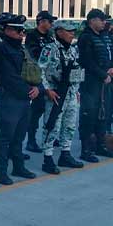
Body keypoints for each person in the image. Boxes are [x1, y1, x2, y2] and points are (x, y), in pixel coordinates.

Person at [0, 14, 39, 184]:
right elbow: (9, 77)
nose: (22, 33)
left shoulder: (20, 48)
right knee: (4, 137)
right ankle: (0, 171)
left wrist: (36, 87)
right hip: (8, 100)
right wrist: (29, 90)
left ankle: (18, 167)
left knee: (19, 135)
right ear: (7, 30)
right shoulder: (1, 49)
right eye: (18, 30)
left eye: (22, 30)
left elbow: (33, 71)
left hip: (24, 99)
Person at [37, 20, 85, 173]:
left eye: (73, 31)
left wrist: (77, 90)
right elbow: (40, 71)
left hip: (71, 93)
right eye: (69, 31)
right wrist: (47, 90)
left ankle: (65, 153)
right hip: (56, 93)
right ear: (59, 32)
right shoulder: (49, 49)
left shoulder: (73, 50)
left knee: (70, 124)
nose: (72, 34)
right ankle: (48, 157)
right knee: (52, 125)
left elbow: (78, 71)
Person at [78, 9, 113, 162]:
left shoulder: (105, 37)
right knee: (89, 115)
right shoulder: (86, 38)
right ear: (92, 21)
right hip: (91, 83)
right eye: (101, 20)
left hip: (105, 82)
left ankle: (101, 145)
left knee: (104, 114)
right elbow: (86, 62)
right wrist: (103, 75)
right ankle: (86, 149)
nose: (104, 22)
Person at [24, 10, 57, 153]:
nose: (52, 24)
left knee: (51, 110)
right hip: (38, 76)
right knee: (37, 110)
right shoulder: (32, 36)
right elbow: (34, 55)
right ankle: (31, 140)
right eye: (50, 21)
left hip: (52, 77)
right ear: (42, 21)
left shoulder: (51, 36)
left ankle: (50, 137)